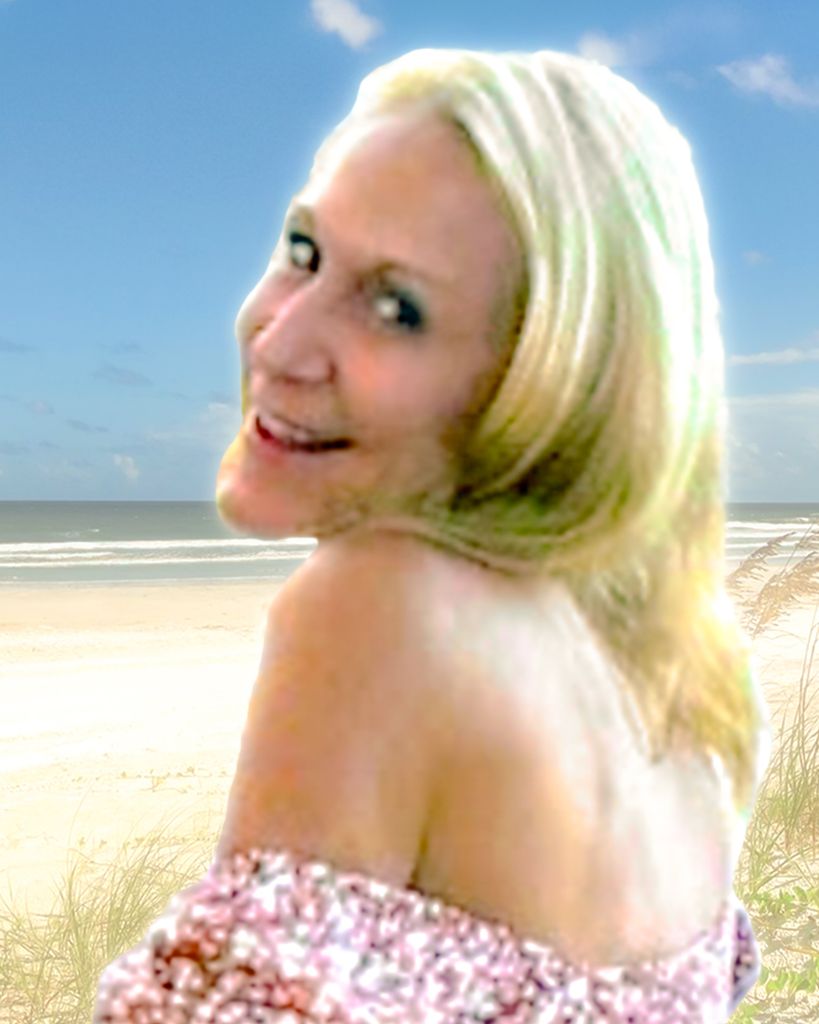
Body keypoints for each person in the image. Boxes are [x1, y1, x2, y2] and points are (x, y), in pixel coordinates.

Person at [94, 46, 769, 1022]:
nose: (278, 342)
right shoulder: (680, 697)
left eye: (395, 308)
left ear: (546, 384)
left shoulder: (384, 603)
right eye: (303, 253)